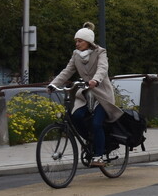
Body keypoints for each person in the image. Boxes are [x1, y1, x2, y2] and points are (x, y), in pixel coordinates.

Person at [49, 23, 123, 167]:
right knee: (75, 116)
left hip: (102, 96)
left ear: (88, 42)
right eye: (76, 41)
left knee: (97, 124)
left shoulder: (100, 52)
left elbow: (103, 68)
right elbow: (67, 71)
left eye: (80, 41)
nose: (77, 44)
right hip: (86, 95)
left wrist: (96, 80)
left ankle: (99, 156)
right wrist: (53, 84)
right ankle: (90, 140)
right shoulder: (76, 55)